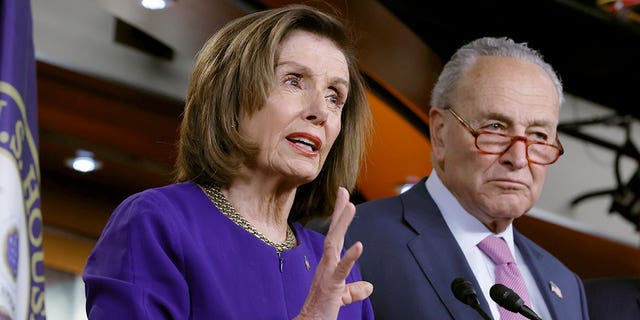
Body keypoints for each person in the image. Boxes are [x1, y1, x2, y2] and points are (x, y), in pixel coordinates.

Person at [83, 4, 374, 319]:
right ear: (232, 95)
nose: (320, 111)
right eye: (293, 80)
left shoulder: (335, 266)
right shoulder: (157, 223)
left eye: (334, 96)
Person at [346, 37, 590, 319]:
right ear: (439, 132)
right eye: (496, 128)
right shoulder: (355, 241)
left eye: (538, 135)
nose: (519, 158)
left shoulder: (567, 284)